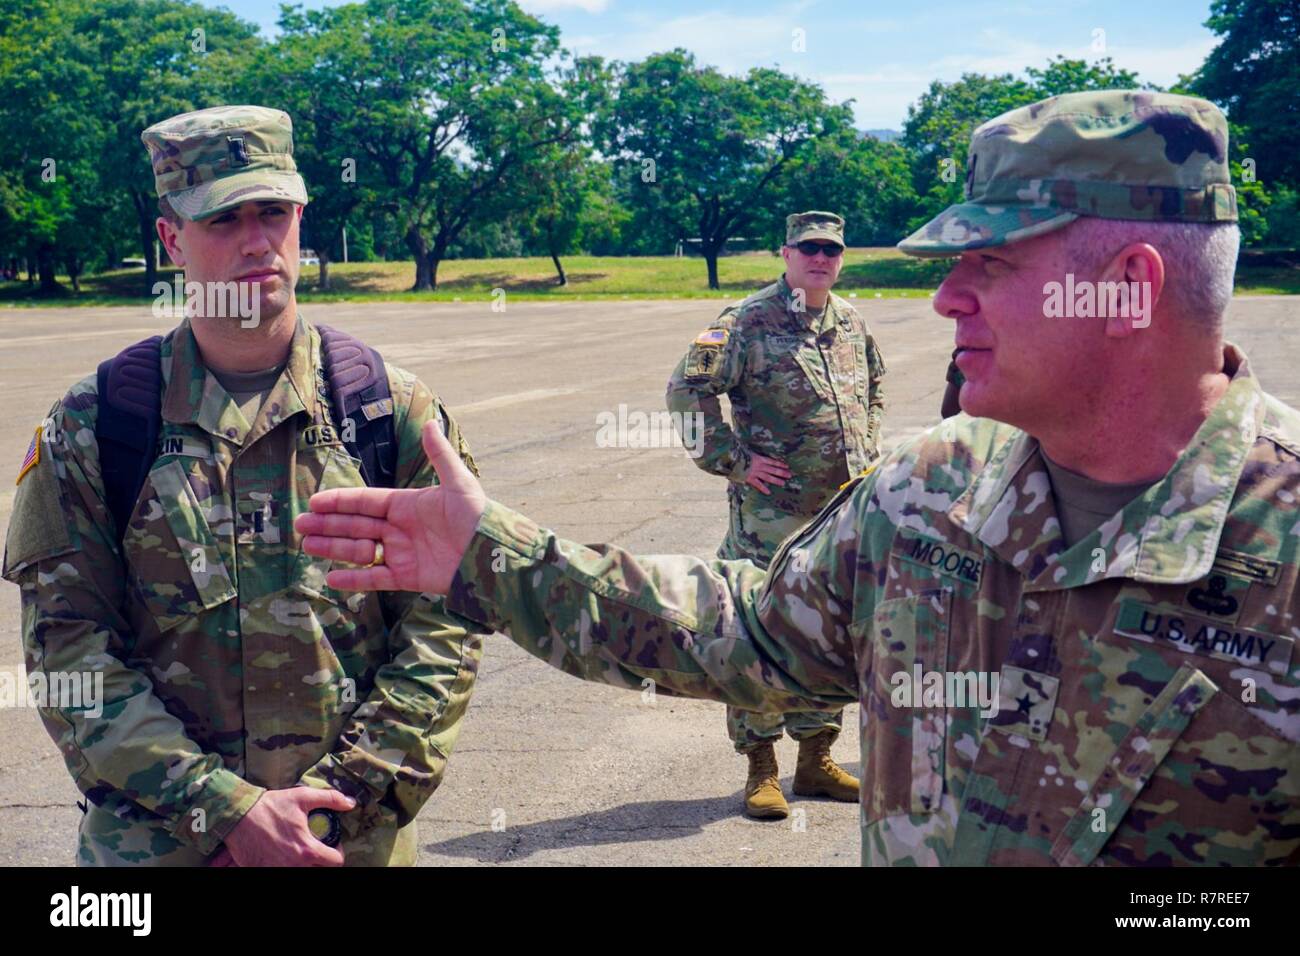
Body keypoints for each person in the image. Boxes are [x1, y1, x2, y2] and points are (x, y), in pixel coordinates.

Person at [297, 91, 1299, 866]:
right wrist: (495, 558)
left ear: (1126, 288)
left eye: (989, 265)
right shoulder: (932, 488)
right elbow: (746, 628)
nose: (946, 296)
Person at [2, 105, 486, 866]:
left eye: (274, 211)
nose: (257, 240)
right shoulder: (98, 423)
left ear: (300, 216)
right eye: (223, 219)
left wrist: (336, 809)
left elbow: (446, 630)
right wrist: (222, 813)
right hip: (159, 844)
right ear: (171, 239)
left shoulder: (387, 410)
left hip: (346, 841)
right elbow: (69, 654)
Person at [665, 210, 884, 818]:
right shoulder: (745, 322)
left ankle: (816, 758)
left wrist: (867, 453)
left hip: (840, 513)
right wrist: (734, 461)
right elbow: (685, 392)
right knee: (759, 631)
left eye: (831, 250)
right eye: (809, 248)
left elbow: (874, 389)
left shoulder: (851, 322)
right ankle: (760, 765)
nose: (821, 259)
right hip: (770, 518)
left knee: (834, 631)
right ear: (785, 253)